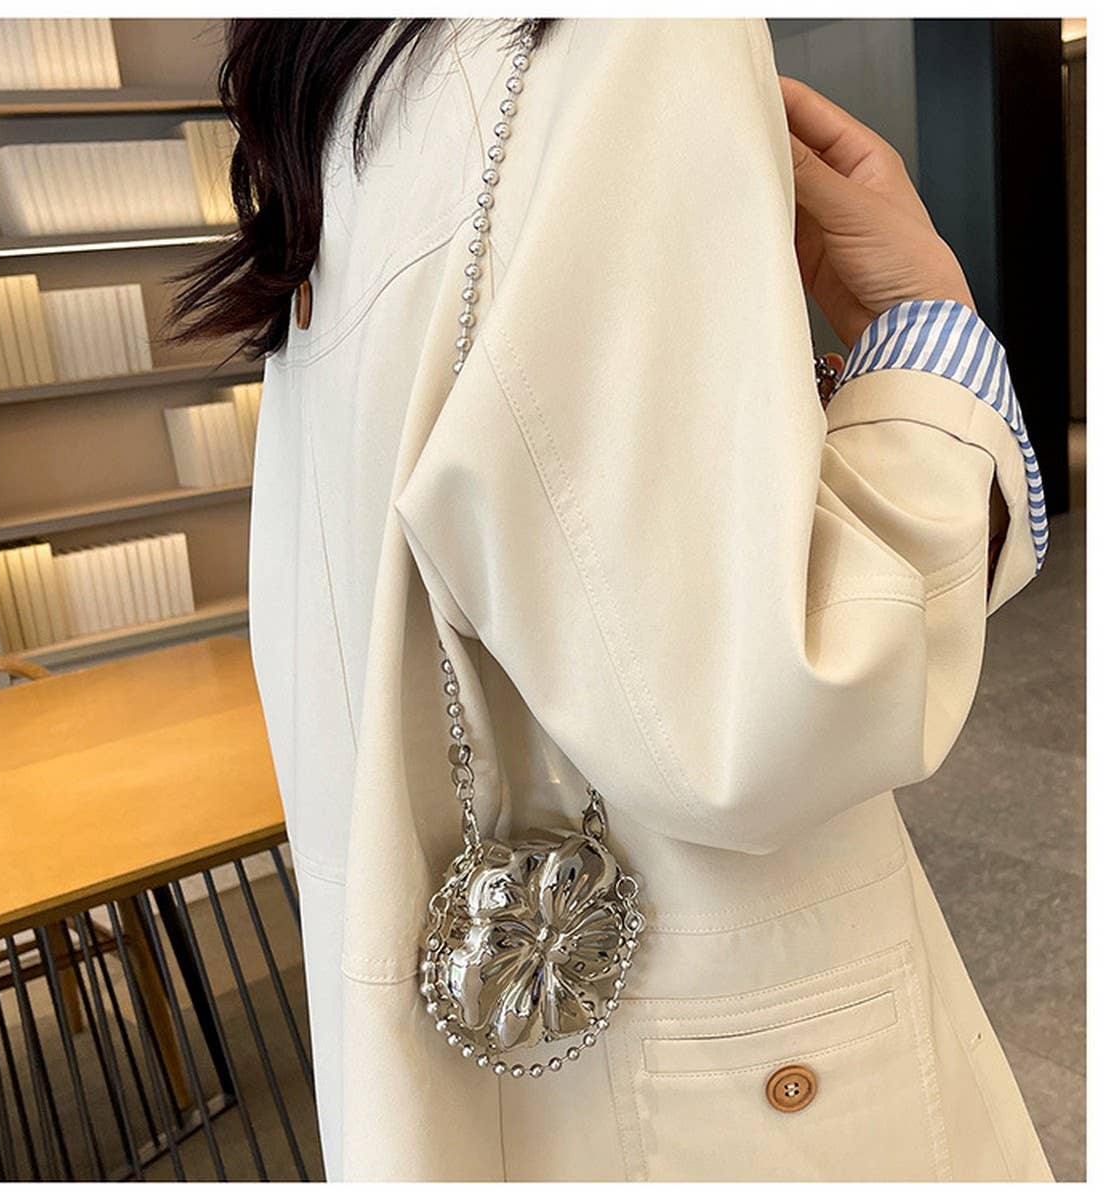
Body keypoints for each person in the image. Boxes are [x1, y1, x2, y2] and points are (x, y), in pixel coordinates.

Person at [175, 17, 1053, 1183]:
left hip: (470, 1058)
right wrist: (928, 335)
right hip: (702, 1078)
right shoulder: (635, 34)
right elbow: (763, 715)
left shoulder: (345, 84)